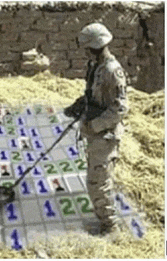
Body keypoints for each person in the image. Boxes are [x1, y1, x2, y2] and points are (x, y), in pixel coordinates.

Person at [64, 23, 128, 234]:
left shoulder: (112, 71)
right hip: (94, 133)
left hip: (105, 135)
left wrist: (94, 125)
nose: (84, 52)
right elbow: (94, 95)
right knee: (99, 177)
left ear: (96, 46)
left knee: (97, 184)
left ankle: (110, 226)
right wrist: (80, 104)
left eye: (87, 48)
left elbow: (119, 109)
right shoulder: (95, 67)